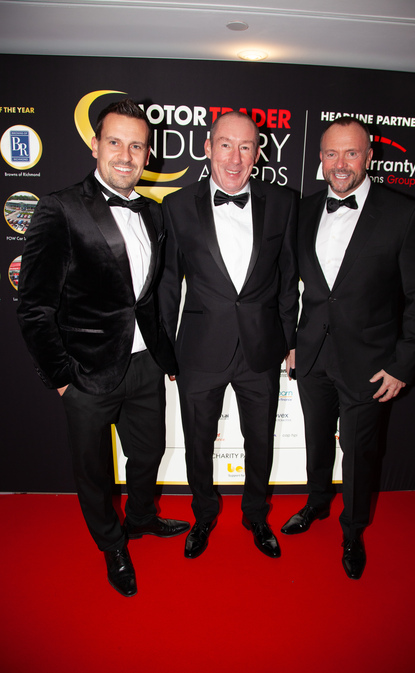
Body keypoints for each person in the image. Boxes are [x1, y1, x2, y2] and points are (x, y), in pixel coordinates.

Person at [17, 99, 189, 597]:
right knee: (93, 471)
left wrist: (164, 355)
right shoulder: (60, 208)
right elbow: (34, 306)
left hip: (145, 365)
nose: (125, 155)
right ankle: (112, 544)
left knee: (149, 453)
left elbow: (148, 297)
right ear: (95, 145)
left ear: (148, 154)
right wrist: (61, 379)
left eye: (137, 146)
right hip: (86, 372)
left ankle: (141, 517)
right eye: (115, 142)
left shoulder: (153, 213)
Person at [281, 117, 415, 579]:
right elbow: (289, 285)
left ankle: (352, 531)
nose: (341, 164)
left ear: (369, 157)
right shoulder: (304, 210)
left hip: (370, 363)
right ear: (320, 159)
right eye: (332, 153)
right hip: (311, 354)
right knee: (315, 441)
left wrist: (403, 365)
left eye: (351, 153)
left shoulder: (404, 214)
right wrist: (291, 341)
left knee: (359, 452)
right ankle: (316, 502)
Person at [159, 111, 298, 559]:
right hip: (199, 351)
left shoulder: (283, 202)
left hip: (262, 350)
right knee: (198, 444)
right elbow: (167, 284)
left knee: (260, 442)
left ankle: (255, 515)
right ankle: (203, 514)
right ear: (207, 148)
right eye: (225, 145)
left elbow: (288, 278)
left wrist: (289, 340)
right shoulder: (177, 206)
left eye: (245, 147)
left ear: (257, 153)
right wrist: (165, 350)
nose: (235, 158)